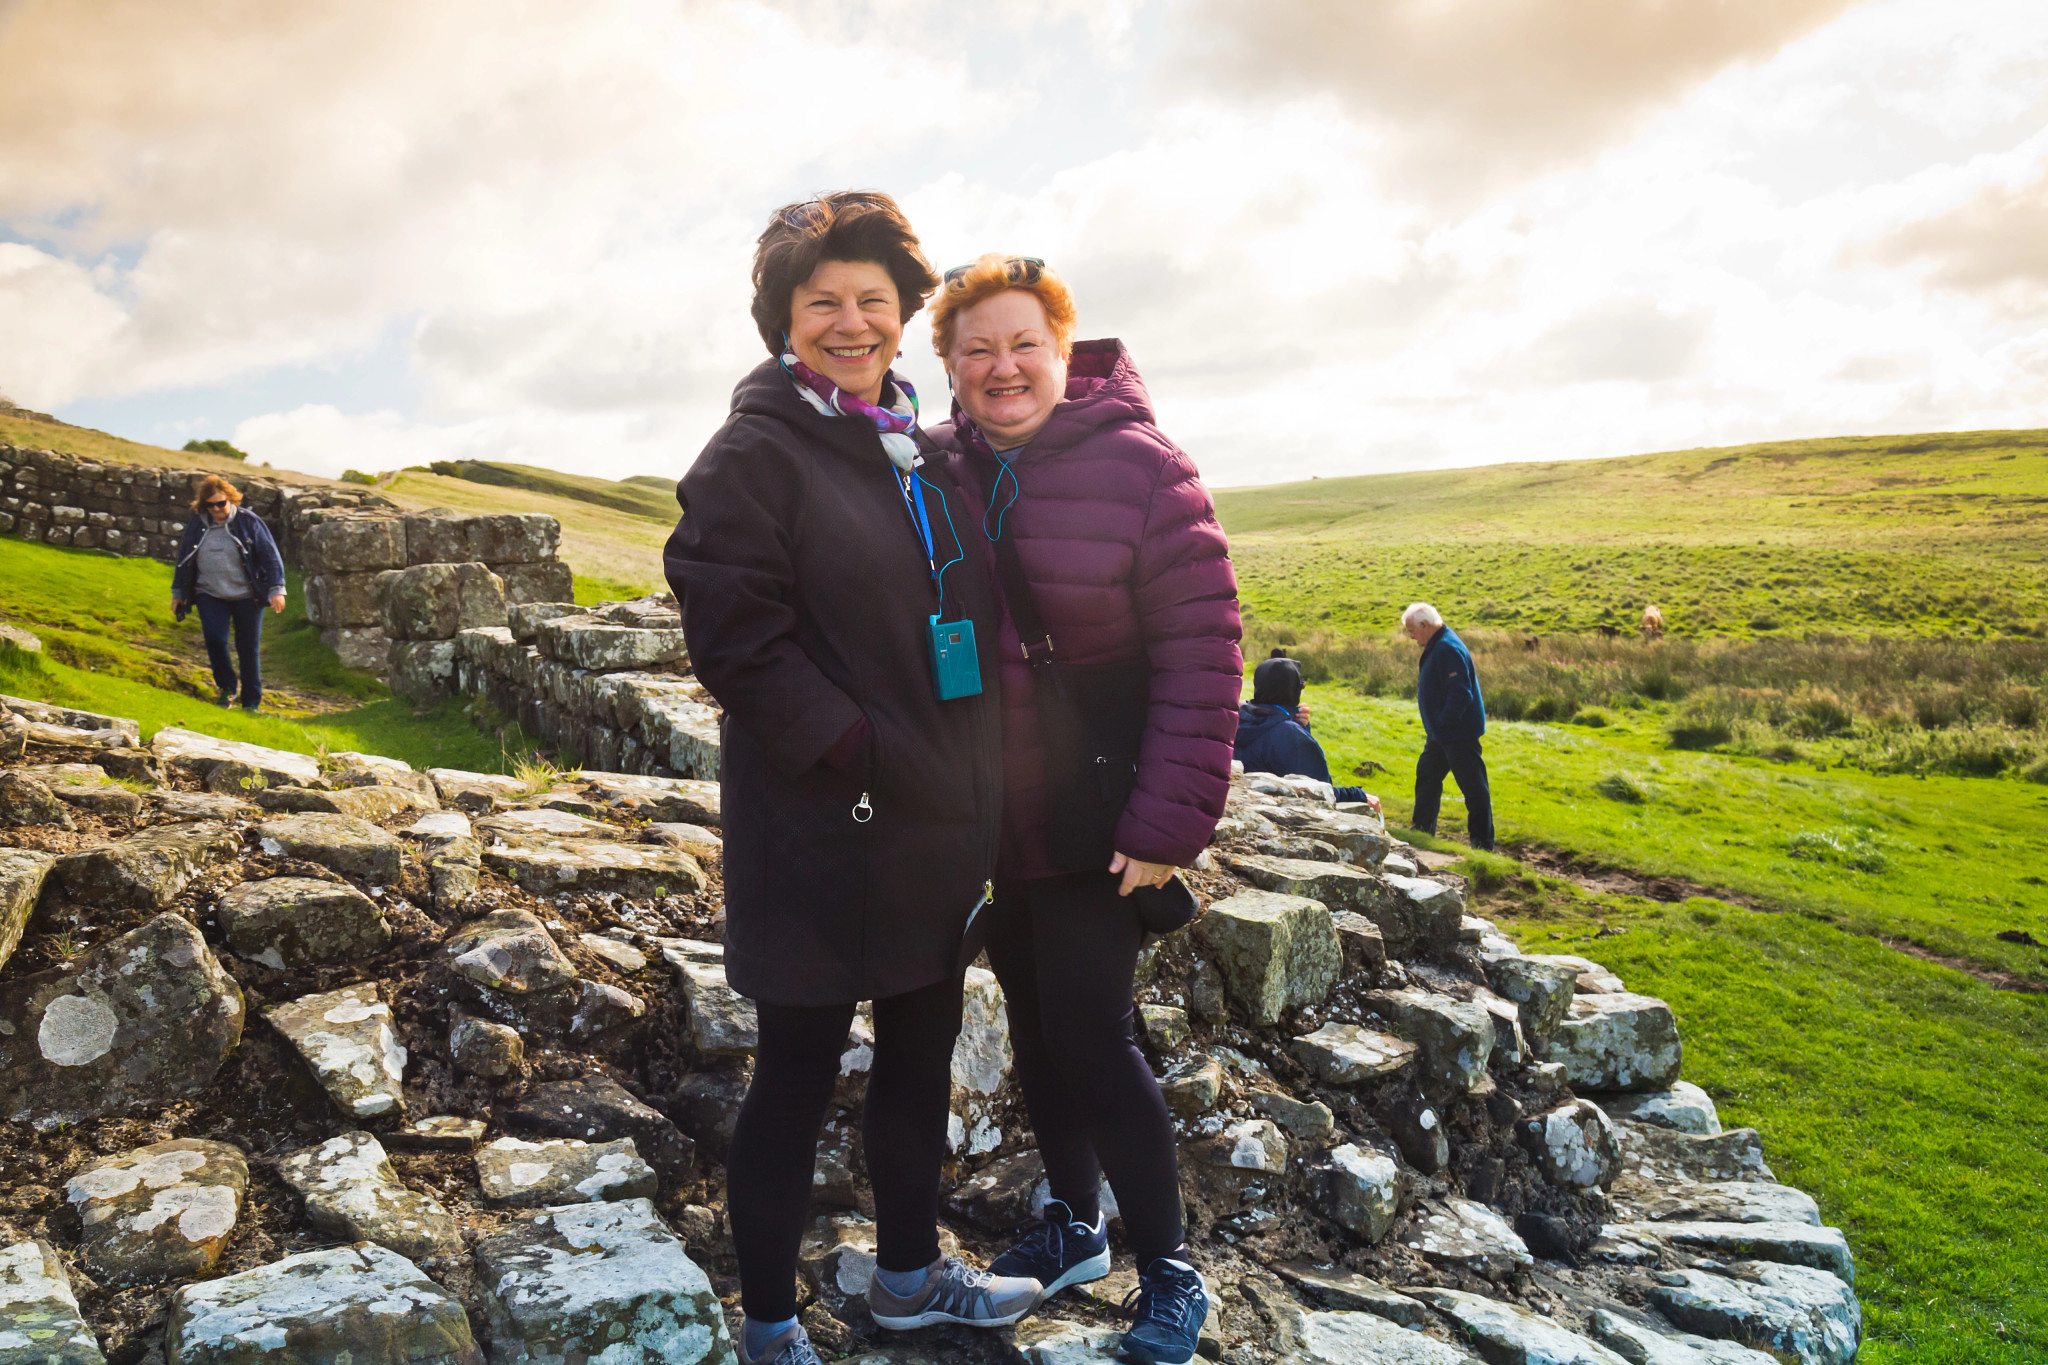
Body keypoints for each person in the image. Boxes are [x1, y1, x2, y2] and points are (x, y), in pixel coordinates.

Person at [663, 195, 1037, 1365]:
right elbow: (736, 640)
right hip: (819, 827)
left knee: (919, 1062)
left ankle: (910, 1281)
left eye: (872, 299)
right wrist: (863, 750)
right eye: (820, 300)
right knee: (793, 1076)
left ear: (901, 311)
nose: (850, 321)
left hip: (932, 823)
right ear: (783, 317)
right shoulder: (753, 453)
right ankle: (771, 1330)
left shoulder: (912, 446)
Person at [930, 254, 1242, 1365]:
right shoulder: (935, 465)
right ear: (949, 367)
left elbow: (1203, 656)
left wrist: (1165, 826)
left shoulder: (1143, 468)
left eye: (1024, 343)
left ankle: (1169, 1269)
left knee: (1093, 1036)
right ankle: (1073, 1221)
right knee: (1032, 1021)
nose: (1002, 366)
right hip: (990, 817)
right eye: (976, 349)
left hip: (1099, 813)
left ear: (1064, 351)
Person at [170, 475, 286, 712]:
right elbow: (184, 558)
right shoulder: (196, 524)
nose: (216, 509)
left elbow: (270, 555)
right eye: (210, 505)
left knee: (248, 647)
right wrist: (178, 592)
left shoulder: (249, 521)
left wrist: (277, 589)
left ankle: (251, 702)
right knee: (215, 639)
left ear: (230, 499)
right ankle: (227, 689)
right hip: (209, 593)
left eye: (220, 503)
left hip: (247, 595)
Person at [1233, 649, 1381, 811]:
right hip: (1278, 811)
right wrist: (1357, 795)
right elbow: (1317, 790)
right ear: (1293, 690)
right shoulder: (1289, 734)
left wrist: (1299, 726)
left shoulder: (1237, 716)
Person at [1403, 602, 1493, 850]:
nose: (1411, 636)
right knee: (1427, 775)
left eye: (1412, 630)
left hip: (1457, 734)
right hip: (1441, 735)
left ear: (1424, 625)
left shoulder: (1446, 648)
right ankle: (1422, 830)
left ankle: (1483, 844)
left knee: (1474, 789)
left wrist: (1443, 726)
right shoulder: (1440, 643)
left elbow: (1460, 693)